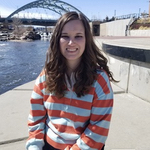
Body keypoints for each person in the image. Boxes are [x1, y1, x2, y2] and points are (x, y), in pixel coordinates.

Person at [26, 11, 116, 150]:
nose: (71, 42)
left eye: (78, 36)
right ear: (57, 39)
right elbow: (36, 118)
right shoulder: (45, 77)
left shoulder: (100, 81)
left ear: (87, 39)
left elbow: (98, 129)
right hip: (49, 145)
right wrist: (34, 146)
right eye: (65, 36)